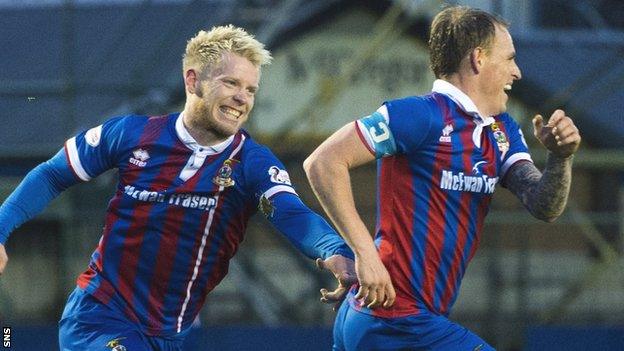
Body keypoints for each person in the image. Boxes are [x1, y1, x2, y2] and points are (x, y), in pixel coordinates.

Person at [0, 25, 355, 350]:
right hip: (98, 317)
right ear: (192, 80)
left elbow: (292, 213)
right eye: (230, 83)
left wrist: (335, 250)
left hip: (172, 334)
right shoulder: (130, 134)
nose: (242, 98)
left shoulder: (253, 163)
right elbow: (51, 175)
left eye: (250, 89)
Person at [304, 5, 581, 351]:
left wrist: (561, 156)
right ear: (478, 59)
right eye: (509, 59)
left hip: (397, 319)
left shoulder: (501, 131)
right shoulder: (419, 115)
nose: (518, 72)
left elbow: (544, 205)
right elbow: (323, 162)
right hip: (392, 318)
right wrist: (365, 254)